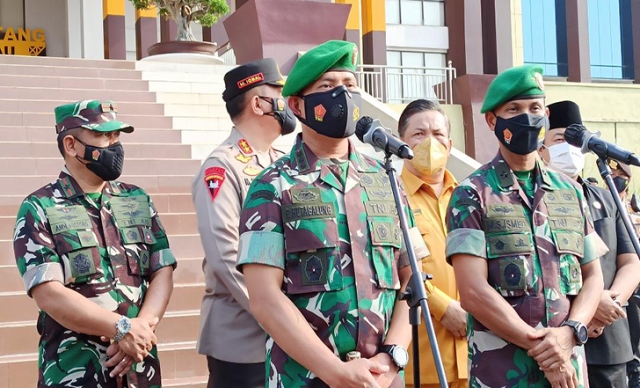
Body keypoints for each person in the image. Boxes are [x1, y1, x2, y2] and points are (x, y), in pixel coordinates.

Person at [236, 40, 430, 388]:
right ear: (296, 105)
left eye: (349, 86)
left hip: (383, 379)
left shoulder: (385, 179)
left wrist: (392, 359)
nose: (342, 96)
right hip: (307, 379)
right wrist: (335, 371)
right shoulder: (272, 186)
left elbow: (413, 277)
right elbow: (265, 299)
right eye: (328, 87)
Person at [445, 65, 607, 388]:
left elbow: (593, 277)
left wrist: (569, 333)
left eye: (535, 108)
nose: (527, 117)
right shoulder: (472, 194)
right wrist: (543, 347)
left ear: (546, 116)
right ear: (493, 120)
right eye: (514, 109)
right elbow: (473, 292)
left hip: (569, 369)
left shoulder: (570, 191)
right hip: (502, 373)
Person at [13, 100, 176, 387]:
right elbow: (48, 293)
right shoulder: (40, 207)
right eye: (102, 136)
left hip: (139, 367)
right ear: (71, 144)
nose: (113, 145)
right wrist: (121, 329)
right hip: (74, 370)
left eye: (116, 136)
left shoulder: (136, 198)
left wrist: (141, 328)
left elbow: (161, 270)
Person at [192, 58, 296, 388]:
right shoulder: (221, 167)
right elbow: (226, 255)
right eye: (279, 93)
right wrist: (278, 315)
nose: (286, 101)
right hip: (244, 342)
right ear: (258, 103)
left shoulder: (282, 162)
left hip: (290, 334)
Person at [538, 100, 640, 387]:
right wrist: (590, 304)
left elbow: (631, 261)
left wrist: (612, 300)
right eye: (559, 139)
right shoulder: (534, 198)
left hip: (608, 337)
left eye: (574, 140)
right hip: (558, 336)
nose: (569, 148)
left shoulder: (604, 197)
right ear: (541, 148)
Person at [397, 99, 467, 388]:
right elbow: (395, 268)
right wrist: (442, 306)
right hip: (421, 360)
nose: (430, 142)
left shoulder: (469, 197)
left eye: (438, 135)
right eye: (418, 134)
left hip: (477, 356)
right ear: (400, 143)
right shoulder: (390, 196)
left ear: (449, 145)